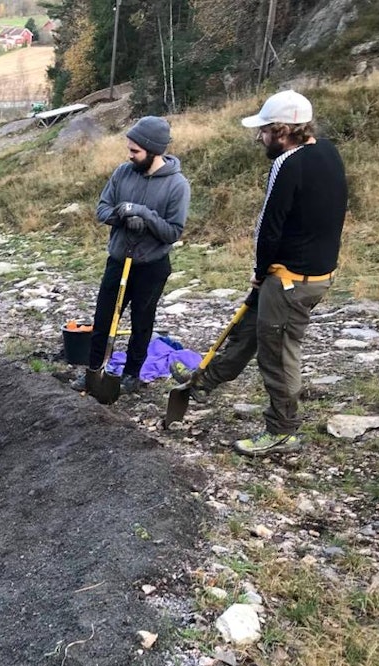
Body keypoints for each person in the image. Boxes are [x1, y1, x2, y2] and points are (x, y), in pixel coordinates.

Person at [171, 90, 347, 457]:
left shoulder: (287, 163)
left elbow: (269, 226)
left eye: (264, 131)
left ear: (283, 131)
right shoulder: (328, 151)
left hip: (291, 280)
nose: (259, 138)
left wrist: (259, 271)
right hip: (310, 272)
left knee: (277, 355)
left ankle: (282, 430)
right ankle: (202, 382)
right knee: (248, 329)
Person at [71, 116, 191, 395]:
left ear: (153, 150)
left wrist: (144, 215)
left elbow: (173, 232)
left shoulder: (177, 185)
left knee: (141, 323)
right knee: (103, 320)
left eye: (135, 151)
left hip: (151, 266)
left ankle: (131, 375)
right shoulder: (123, 173)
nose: (130, 155)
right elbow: (102, 210)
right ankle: (94, 371)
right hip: (118, 260)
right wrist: (123, 216)